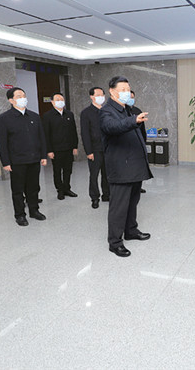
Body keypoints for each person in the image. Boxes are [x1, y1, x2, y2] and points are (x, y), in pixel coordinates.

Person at [100, 76, 152, 257]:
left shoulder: (127, 109)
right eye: (122, 89)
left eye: (128, 89)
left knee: (133, 201)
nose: (126, 93)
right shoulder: (106, 111)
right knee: (119, 206)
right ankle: (115, 242)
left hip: (134, 165)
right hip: (121, 167)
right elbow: (112, 127)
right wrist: (133, 121)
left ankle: (131, 230)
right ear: (112, 92)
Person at [0, 87, 47, 227]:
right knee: (18, 190)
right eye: (19, 96)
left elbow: (41, 137)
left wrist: (43, 155)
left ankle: (34, 210)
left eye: (24, 95)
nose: (23, 98)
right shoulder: (4, 119)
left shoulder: (34, 116)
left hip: (34, 159)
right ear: (11, 100)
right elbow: (2, 142)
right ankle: (20, 215)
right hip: (17, 161)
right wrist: (5, 162)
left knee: (34, 187)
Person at [43, 92, 79, 200]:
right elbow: (46, 134)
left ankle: (67, 188)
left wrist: (75, 146)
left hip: (69, 148)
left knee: (68, 170)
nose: (60, 101)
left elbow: (73, 131)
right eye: (57, 99)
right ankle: (60, 190)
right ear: (52, 102)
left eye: (61, 99)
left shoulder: (69, 114)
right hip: (56, 149)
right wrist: (49, 150)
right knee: (57, 171)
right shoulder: (47, 116)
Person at [81, 87, 110, 209]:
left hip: (107, 148)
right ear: (91, 97)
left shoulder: (107, 110)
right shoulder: (86, 113)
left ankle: (106, 194)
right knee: (94, 175)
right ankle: (94, 198)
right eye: (98, 95)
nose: (101, 97)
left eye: (102, 94)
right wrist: (89, 151)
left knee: (107, 174)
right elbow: (85, 134)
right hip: (94, 150)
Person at [128, 90, 147, 194]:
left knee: (138, 167)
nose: (131, 99)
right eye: (129, 97)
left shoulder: (138, 111)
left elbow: (143, 129)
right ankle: (129, 188)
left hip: (138, 144)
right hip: (127, 145)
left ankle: (138, 187)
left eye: (132, 97)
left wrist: (144, 142)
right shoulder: (122, 112)